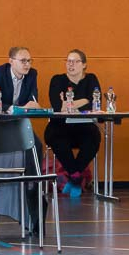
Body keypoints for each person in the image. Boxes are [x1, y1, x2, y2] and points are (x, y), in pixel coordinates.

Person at [44, 49, 102, 197]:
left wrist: (69, 104)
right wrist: (83, 100)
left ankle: (73, 177)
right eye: (68, 61)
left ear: (84, 65)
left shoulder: (91, 79)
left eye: (75, 61)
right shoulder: (57, 80)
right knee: (55, 137)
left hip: (84, 126)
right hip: (61, 126)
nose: (71, 64)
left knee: (94, 138)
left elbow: (94, 103)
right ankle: (76, 177)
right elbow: (57, 106)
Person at [0, 46, 40, 112]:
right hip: (1, 114)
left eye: (29, 60)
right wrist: (15, 109)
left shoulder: (32, 74)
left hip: (22, 115)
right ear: (11, 61)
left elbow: (33, 100)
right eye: (23, 61)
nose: (27, 64)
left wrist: (33, 105)